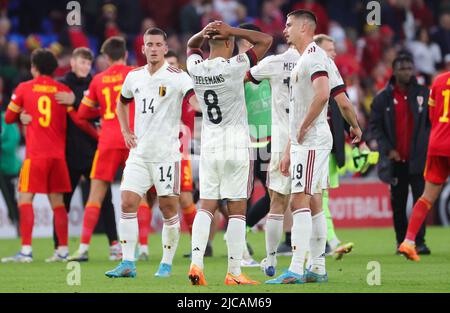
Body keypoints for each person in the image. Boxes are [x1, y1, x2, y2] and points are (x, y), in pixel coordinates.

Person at [266, 10, 360, 284]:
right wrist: (354, 125)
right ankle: (317, 267)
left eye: (289, 24)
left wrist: (303, 129)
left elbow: (322, 96)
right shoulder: (314, 58)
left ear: (304, 27)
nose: (284, 29)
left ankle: (296, 267)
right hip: (306, 141)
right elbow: (341, 98)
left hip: (311, 140)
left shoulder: (314, 57)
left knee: (298, 199)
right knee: (315, 200)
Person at [105, 27, 198, 278]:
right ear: (143, 48)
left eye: (158, 44)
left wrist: (204, 107)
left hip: (167, 155)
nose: (154, 48)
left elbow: (194, 100)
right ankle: (127, 263)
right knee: (127, 202)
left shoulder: (178, 77)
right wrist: (125, 130)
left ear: (165, 48)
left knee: (168, 208)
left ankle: (166, 264)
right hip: (139, 153)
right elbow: (121, 103)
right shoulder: (133, 76)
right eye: (150, 44)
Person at [186, 21, 272, 286]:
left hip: (209, 145)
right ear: (227, 44)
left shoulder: (196, 67)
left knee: (206, 205)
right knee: (237, 208)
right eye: (231, 41)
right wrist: (232, 30)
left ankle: (197, 264)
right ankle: (234, 272)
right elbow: (266, 40)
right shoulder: (236, 67)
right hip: (236, 145)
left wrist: (205, 32)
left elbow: (191, 45)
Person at [2, 48, 96, 263]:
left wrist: (21, 117)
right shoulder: (62, 90)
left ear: (33, 68)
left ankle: (26, 251)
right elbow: (80, 118)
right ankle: (62, 250)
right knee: (58, 204)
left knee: (25, 199)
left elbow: (8, 117)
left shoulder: (24, 88)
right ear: (54, 68)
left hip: (35, 156)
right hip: (58, 158)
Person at [49, 47, 120, 262]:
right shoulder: (61, 85)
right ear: (72, 62)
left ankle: (114, 245)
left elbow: (98, 113)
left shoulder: (95, 83)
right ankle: (60, 248)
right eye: (82, 62)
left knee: (105, 200)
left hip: (93, 152)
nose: (85, 67)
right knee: (64, 202)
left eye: (88, 63)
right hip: (69, 154)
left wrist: (74, 101)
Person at [69, 37, 134, 262]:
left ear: (106, 58)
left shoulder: (97, 79)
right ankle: (140, 248)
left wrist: (103, 113)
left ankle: (83, 249)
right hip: (132, 140)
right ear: (125, 55)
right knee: (140, 194)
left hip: (106, 141)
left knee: (96, 194)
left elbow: (83, 114)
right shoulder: (135, 73)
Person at [136, 50, 199, 261]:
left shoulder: (186, 95)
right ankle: (143, 248)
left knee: (185, 199)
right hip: (154, 153)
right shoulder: (154, 93)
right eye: (167, 65)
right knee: (148, 197)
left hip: (179, 156)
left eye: (173, 65)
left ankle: (198, 246)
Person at [369, 54, 431, 255]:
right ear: (394, 71)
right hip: (395, 161)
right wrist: (387, 149)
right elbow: (375, 127)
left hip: (419, 159)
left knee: (421, 200)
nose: (407, 72)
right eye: (402, 68)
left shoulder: (425, 94)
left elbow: (432, 124)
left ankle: (418, 242)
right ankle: (401, 241)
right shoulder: (382, 98)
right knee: (398, 203)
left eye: (409, 68)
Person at [398, 71, 450, 261]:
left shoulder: (439, 80)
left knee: (427, 197)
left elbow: (432, 114)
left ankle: (409, 241)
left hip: (437, 143)